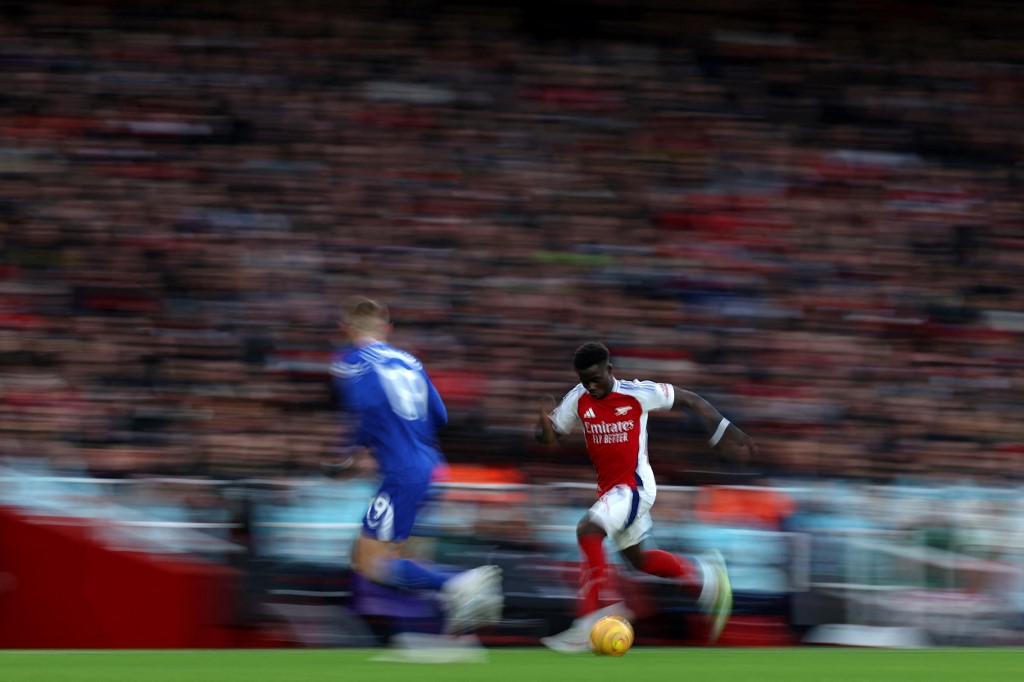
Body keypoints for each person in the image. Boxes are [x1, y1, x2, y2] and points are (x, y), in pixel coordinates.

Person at [536, 341, 758, 652]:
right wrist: (544, 421)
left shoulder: (637, 393)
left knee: (587, 529)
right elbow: (549, 439)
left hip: (635, 487)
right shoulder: (578, 398)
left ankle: (588, 619)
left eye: (597, 377)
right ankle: (706, 578)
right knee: (639, 560)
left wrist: (723, 431)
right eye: (586, 379)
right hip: (613, 491)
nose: (592, 385)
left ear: (609, 370)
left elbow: (689, 399)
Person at [330, 297, 502, 636]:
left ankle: (461, 581)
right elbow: (441, 415)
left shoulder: (349, 360)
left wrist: (348, 452)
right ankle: (430, 637)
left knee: (369, 562)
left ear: (346, 329)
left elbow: (361, 407)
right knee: (404, 559)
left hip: (401, 474)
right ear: (386, 329)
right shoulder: (410, 361)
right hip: (434, 468)